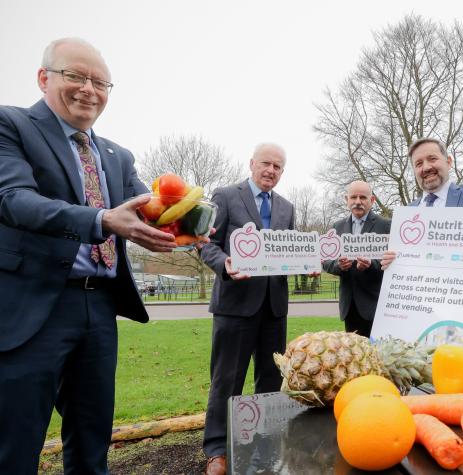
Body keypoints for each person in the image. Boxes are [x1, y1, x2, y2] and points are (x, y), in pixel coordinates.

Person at [0, 38, 177, 474]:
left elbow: (151, 210)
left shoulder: (117, 155)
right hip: (35, 306)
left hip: (99, 307)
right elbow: (13, 199)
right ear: (44, 78)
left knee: (92, 435)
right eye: (75, 76)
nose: (88, 89)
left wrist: (190, 224)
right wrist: (101, 221)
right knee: (17, 442)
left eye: (100, 82)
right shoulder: (11, 125)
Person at [199, 143, 295, 475]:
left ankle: (263, 446)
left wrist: (306, 262)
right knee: (226, 380)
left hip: (274, 308)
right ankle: (217, 450)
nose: (271, 170)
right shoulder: (225, 196)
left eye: (278, 167)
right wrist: (223, 263)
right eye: (266, 164)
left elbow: (290, 250)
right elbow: (204, 242)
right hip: (235, 305)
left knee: (270, 380)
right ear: (252, 163)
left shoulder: (287, 207)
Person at [381, 137, 463, 269]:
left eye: (432, 159)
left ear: (448, 162)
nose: (426, 167)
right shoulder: (406, 214)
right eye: (418, 164)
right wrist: (392, 262)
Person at [322, 181, 391, 337]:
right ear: (346, 199)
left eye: (362, 197)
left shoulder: (386, 226)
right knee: (355, 358)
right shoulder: (337, 227)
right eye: (353, 197)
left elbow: (393, 262)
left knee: (378, 357)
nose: (357, 202)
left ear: (372, 200)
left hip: (377, 305)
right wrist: (339, 265)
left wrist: (371, 264)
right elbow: (326, 262)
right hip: (350, 306)